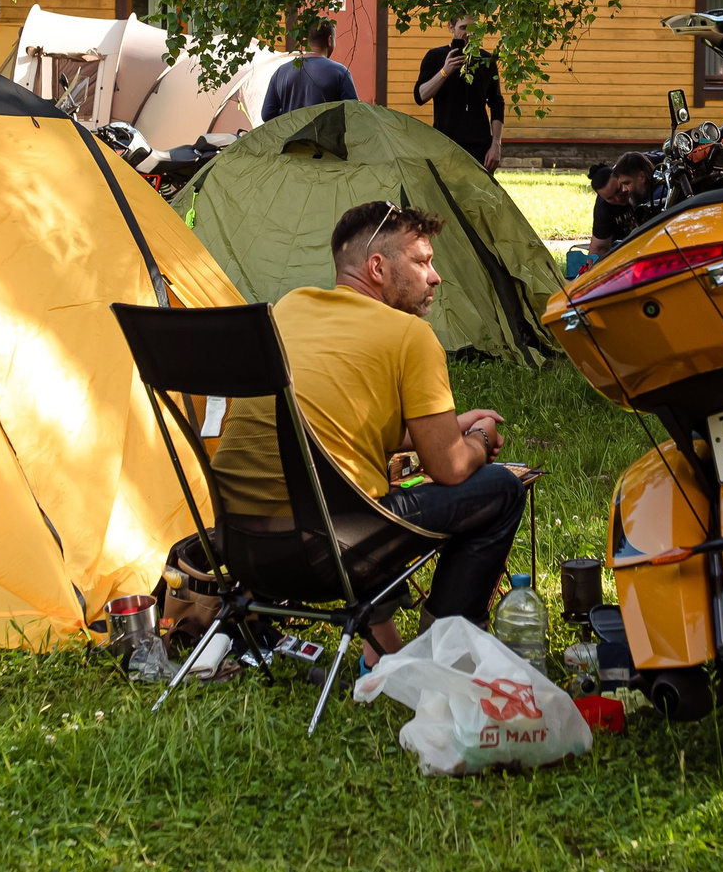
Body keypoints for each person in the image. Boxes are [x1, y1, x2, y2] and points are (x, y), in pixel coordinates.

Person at [209, 202, 524, 661]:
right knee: (500, 489)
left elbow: (335, 424)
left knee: (355, 488)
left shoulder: (291, 307)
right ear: (378, 267)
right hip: (331, 555)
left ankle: (384, 652)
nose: (435, 276)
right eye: (421, 262)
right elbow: (451, 469)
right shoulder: (410, 336)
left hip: (240, 550)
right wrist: (476, 440)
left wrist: (445, 427)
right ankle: (443, 651)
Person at [415, 16, 506, 171]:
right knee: (445, 195)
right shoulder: (435, 56)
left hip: (479, 147)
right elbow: (420, 96)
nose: (469, 33)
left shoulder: (486, 60)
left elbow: (497, 103)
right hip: (444, 144)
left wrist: (496, 145)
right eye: (464, 28)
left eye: (474, 29)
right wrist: (445, 71)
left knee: (478, 195)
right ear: (451, 27)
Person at [262, 17, 359, 118]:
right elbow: (353, 113)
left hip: (292, 133)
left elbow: (267, 115)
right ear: (330, 40)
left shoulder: (281, 72)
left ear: (308, 40)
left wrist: (291, 116)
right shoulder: (340, 72)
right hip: (326, 134)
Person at [583, 152, 655, 255]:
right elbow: (599, 247)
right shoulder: (603, 208)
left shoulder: (637, 180)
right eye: (610, 198)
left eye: (618, 190)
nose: (618, 198)